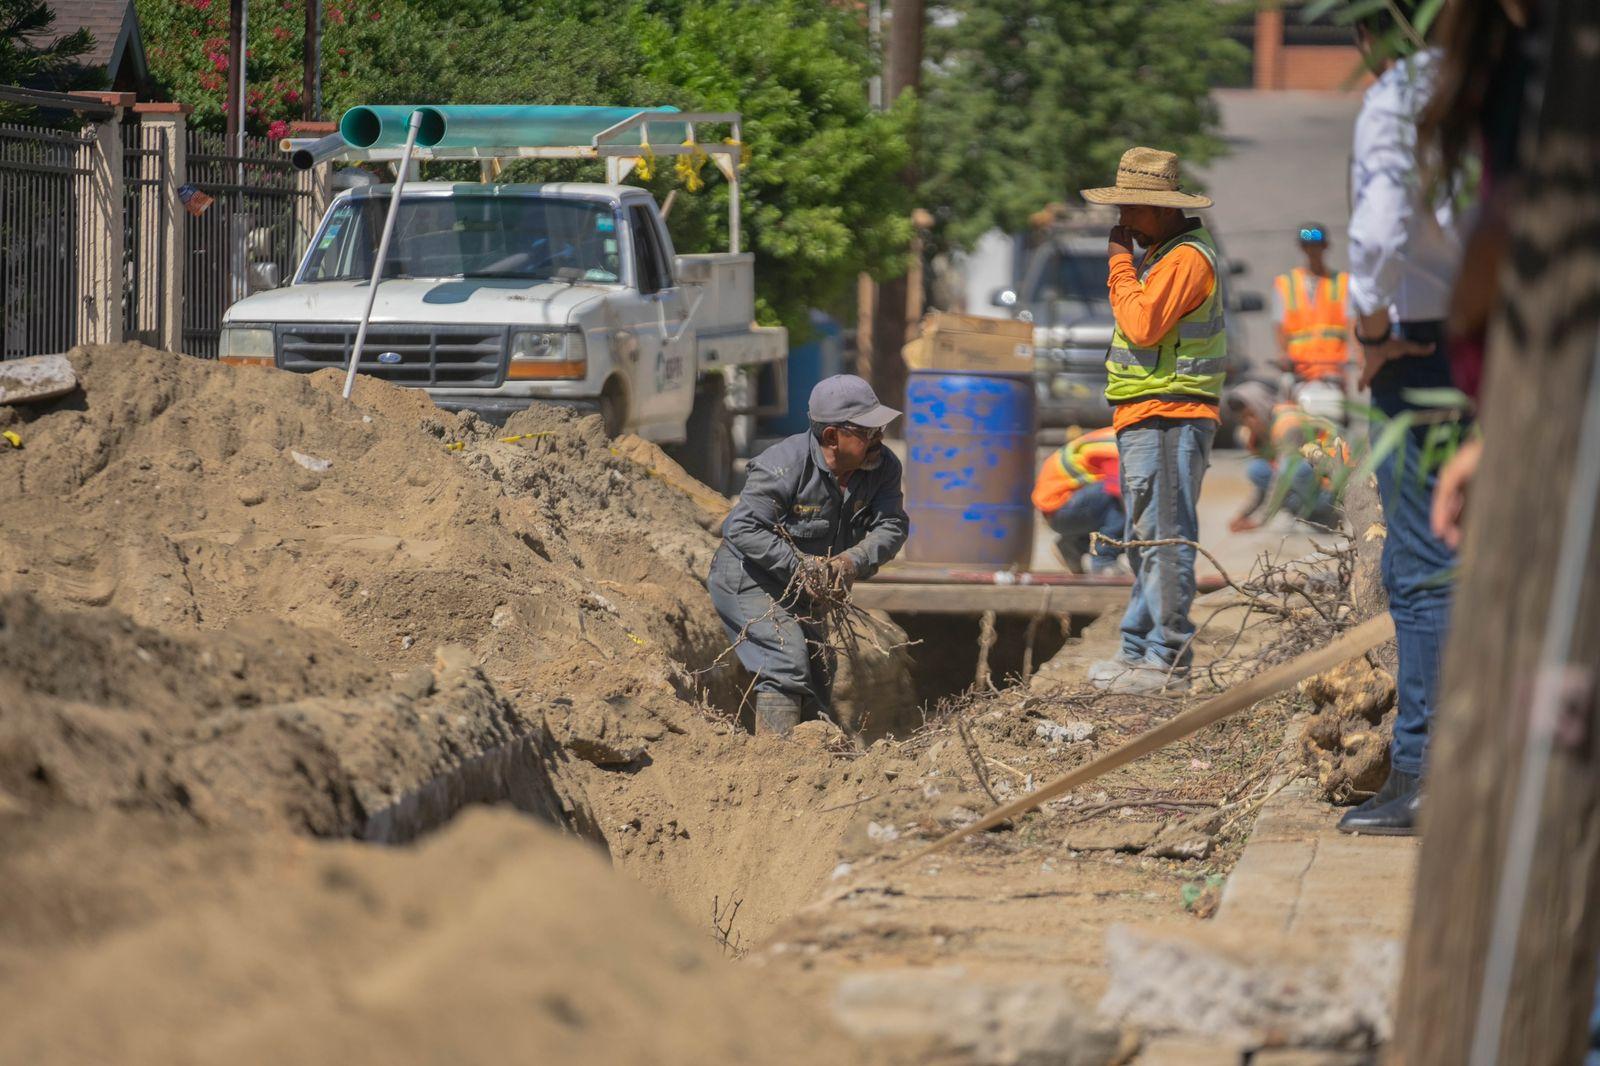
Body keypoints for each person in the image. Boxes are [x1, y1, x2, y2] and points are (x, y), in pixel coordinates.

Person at [1336, 2, 1464, 836]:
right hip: (1509, 342)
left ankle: (1423, 769)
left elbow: (1380, 235)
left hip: (1422, 352)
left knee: (1421, 568)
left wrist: (1373, 334)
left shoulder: (1400, 99)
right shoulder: (1514, 91)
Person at [1077, 146, 1227, 694]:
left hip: (1171, 415)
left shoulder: (1186, 257)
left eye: (1131, 211)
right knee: (1147, 536)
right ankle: (1139, 649)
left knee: (1164, 537)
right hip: (1150, 413)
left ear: (1162, 209)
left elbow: (1141, 325)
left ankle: (1165, 659)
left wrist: (1117, 262)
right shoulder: (1165, 254)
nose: (1121, 223)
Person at [708, 375, 908, 735]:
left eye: (881, 428)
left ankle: (807, 769)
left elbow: (891, 525)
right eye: (868, 432)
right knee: (785, 660)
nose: (879, 439)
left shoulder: (884, 468)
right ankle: (775, 766)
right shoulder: (783, 466)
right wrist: (800, 567)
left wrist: (852, 561)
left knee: (818, 677)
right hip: (748, 577)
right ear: (833, 436)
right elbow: (741, 529)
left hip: (803, 588)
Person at [1224, 380, 1346, 534]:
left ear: (1260, 405)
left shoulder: (1286, 423)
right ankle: (1315, 518)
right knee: (1258, 470)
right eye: (1243, 419)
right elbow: (1264, 486)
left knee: (1291, 468)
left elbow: (1282, 478)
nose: (1248, 423)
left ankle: (1329, 515)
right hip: (1310, 483)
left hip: (1333, 487)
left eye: (1251, 415)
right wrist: (1243, 515)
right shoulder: (1264, 432)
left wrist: (1260, 521)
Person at [1272, 222, 1352, 420]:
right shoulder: (1285, 283)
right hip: (1300, 369)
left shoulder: (1342, 282)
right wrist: (1283, 356)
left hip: (1332, 368)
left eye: (1316, 246)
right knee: (1289, 416)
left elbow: (1352, 323)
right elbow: (1280, 327)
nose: (1312, 251)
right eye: (1307, 246)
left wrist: (1357, 355)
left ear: (1325, 247)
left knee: (1339, 420)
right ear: (1301, 248)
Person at [1031, 426, 1123, 574]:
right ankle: (1104, 561)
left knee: (1120, 501)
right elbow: (1121, 496)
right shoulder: (1116, 447)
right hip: (1060, 507)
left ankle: (1073, 546)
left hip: (1062, 510)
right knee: (1122, 495)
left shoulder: (1118, 435)